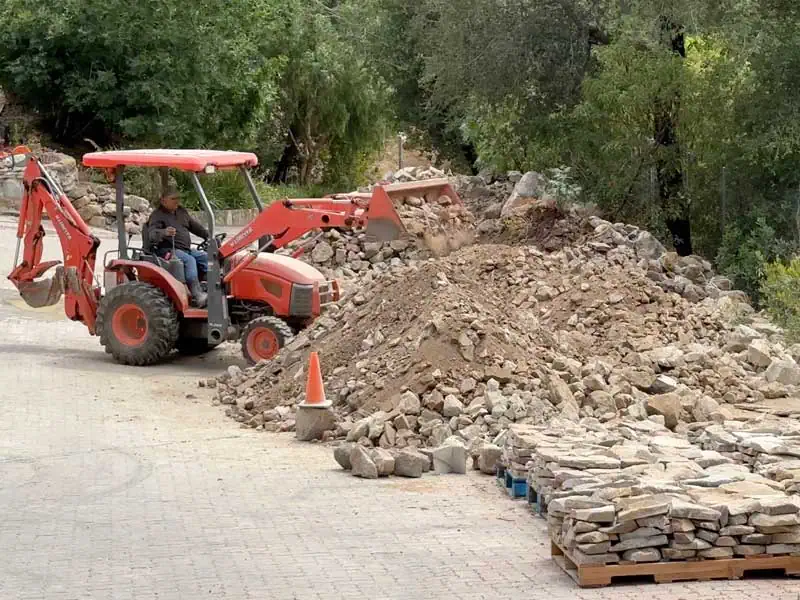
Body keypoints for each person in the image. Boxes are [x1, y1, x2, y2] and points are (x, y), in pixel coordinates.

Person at [147, 185, 209, 308]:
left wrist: (208, 236)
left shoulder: (181, 211)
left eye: (178, 198)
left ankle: (211, 288)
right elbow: (152, 235)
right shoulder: (157, 215)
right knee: (189, 260)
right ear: (163, 200)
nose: (177, 201)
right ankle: (197, 294)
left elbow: (194, 226)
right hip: (167, 251)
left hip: (185, 249)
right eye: (173, 198)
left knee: (207, 258)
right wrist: (164, 232)